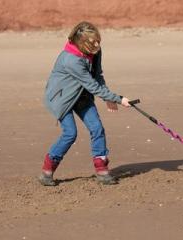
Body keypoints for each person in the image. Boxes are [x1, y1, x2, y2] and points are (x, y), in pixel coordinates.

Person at [39, 21, 130, 186]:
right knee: (70, 134)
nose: (97, 44)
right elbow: (92, 85)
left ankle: (101, 169)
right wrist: (118, 98)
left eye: (98, 40)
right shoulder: (71, 60)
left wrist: (108, 97)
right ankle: (47, 170)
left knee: (97, 129)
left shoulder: (95, 50)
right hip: (62, 99)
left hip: (82, 96)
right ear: (81, 43)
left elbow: (97, 75)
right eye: (92, 42)